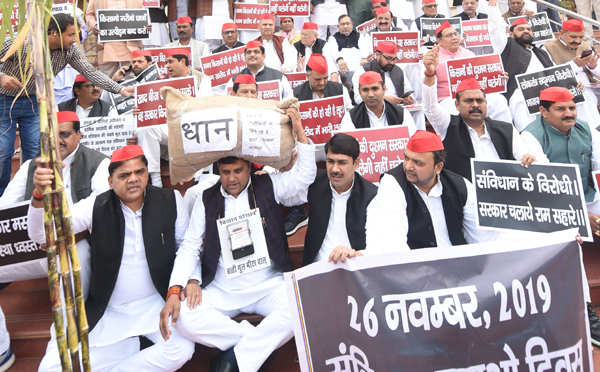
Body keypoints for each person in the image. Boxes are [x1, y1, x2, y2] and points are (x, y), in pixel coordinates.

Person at [159, 106, 316, 372]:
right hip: (223, 288)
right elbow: (190, 246)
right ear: (218, 171)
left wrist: (299, 129)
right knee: (183, 317)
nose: (231, 178)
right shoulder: (206, 199)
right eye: (225, 172)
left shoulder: (268, 184)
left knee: (299, 309)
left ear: (249, 168)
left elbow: (304, 176)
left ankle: (233, 361)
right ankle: (250, 348)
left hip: (267, 284)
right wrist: (177, 287)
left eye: (238, 171)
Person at [28, 145, 195, 371]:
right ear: (110, 181)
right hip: (110, 309)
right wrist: (39, 195)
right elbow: (42, 235)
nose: (133, 179)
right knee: (51, 369)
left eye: (140, 172)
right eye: (124, 175)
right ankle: (136, 346)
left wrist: (185, 284)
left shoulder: (171, 199)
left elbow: (186, 247)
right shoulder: (96, 205)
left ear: (147, 173)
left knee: (182, 349)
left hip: (155, 304)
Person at [0, 13, 132, 197]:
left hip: (35, 102)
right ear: (54, 33)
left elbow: (88, 71)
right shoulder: (21, 42)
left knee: (34, 152)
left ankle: (31, 199)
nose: (75, 39)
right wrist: (1, 77)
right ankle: (3, 203)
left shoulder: (70, 51)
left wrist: (119, 90)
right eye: (71, 35)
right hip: (4, 101)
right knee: (3, 153)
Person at [328, 130, 501, 263]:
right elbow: (394, 247)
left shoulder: (461, 186)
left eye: (418, 163)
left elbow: (482, 240)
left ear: (438, 167)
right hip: (415, 272)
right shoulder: (393, 184)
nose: (408, 167)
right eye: (406, 158)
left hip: (459, 267)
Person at [520, 86, 600, 346]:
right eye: (561, 109)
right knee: (572, 239)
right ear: (543, 112)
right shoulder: (529, 136)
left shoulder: (586, 128)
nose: (569, 113)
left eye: (572, 107)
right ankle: (587, 313)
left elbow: (598, 166)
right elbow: (548, 185)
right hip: (549, 207)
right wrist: (581, 214)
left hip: (588, 197)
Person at [0, 111, 109, 284]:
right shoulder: (31, 166)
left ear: (79, 135)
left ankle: (71, 312)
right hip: (34, 243)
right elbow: (5, 207)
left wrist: (66, 238)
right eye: (52, 135)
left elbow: (102, 207)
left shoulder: (98, 162)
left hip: (76, 238)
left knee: (76, 260)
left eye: (64, 134)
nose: (58, 140)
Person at [423, 48, 542, 182]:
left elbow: (523, 157)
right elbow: (430, 107)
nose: (475, 105)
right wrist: (430, 73)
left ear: (486, 103)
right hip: (463, 196)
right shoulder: (448, 126)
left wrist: (528, 159)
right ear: (457, 105)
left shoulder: (507, 130)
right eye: (468, 101)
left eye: (479, 100)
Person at [488, 0, 596, 131]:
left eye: (528, 29)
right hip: (521, 91)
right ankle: (528, 136)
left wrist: (572, 79)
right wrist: (493, 4)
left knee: (575, 89)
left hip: (546, 88)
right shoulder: (506, 46)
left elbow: (554, 72)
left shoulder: (540, 51)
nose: (526, 31)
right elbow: (494, 27)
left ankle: (589, 131)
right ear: (511, 34)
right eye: (521, 29)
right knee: (519, 99)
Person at [284, 133, 378, 265]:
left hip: (354, 268)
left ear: (356, 163)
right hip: (318, 268)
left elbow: (378, 246)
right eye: (330, 161)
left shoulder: (372, 196)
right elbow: (286, 198)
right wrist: (284, 171)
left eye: (342, 163)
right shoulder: (314, 182)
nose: (334, 169)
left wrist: (356, 255)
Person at [136, 48, 212, 188]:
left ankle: (196, 179)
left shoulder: (202, 79)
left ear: (183, 61)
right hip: (170, 127)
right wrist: (140, 112)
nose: (166, 66)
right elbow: (153, 109)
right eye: (165, 62)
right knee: (147, 129)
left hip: (192, 128)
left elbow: (206, 108)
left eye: (170, 62)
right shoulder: (163, 81)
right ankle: (155, 178)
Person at [429, 21, 512, 123]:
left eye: (455, 34)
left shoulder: (469, 54)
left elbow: (482, 79)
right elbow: (427, 84)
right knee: (456, 109)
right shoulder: (433, 57)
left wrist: (498, 79)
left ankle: (506, 135)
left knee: (499, 100)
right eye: (449, 35)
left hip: (474, 96)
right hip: (448, 99)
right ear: (439, 41)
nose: (454, 37)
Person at [542, 19, 600, 106]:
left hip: (590, 87)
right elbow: (550, 74)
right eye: (573, 37)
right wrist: (574, 64)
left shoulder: (585, 45)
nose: (578, 41)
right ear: (562, 33)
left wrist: (593, 66)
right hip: (565, 89)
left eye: (581, 37)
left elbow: (597, 73)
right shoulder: (548, 48)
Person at [340, 71, 417, 132]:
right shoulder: (351, 117)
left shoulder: (402, 114)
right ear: (359, 92)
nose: (370, 94)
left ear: (383, 89)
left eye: (375, 89)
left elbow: (412, 143)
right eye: (365, 90)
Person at [85, 0, 145, 77]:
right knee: (107, 79)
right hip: (106, 46)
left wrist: (146, 25)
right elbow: (89, 14)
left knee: (131, 78)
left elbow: (143, 14)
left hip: (130, 46)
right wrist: (93, 24)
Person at [223, 41, 294, 99]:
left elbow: (289, 101)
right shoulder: (234, 80)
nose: (252, 55)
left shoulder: (279, 77)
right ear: (244, 57)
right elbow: (226, 102)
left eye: (256, 52)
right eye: (249, 52)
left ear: (263, 56)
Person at [327, 15, 370, 82]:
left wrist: (364, 58)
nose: (345, 26)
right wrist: (339, 59)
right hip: (342, 67)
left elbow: (364, 47)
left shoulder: (358, 35)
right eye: (342, 24)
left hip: (358, 65)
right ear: (338, 26)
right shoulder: (333, 38)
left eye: (348, 23)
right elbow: (334, 51)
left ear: (352, 25)